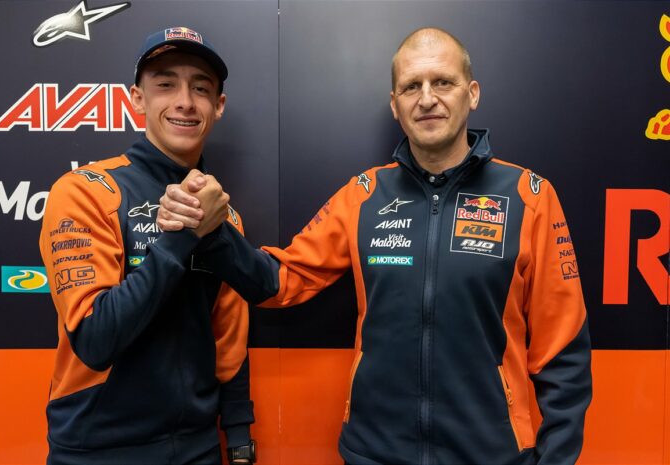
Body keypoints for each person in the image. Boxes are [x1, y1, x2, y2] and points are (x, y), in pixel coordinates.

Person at [159, 27, 592, 465]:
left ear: (472, 93)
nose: (427, 98)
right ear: (395, 105)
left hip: (491, 455)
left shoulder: (528, 196)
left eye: (443, 82)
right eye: (411, 86)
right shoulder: (364, 195)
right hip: (374, 452)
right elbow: (280, 281)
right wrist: (212, 231)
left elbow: (564, 353)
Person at [39, 26, 256, 465]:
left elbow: (228, 342)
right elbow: (96, 340)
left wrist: (238, 437)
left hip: (197, 449)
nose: (185, 101)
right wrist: (183, 237)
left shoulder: (224, 215)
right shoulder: (85, 191)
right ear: (137, 99)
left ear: (218, 106)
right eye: (165, 84)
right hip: (97, 450)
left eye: (200, 88)